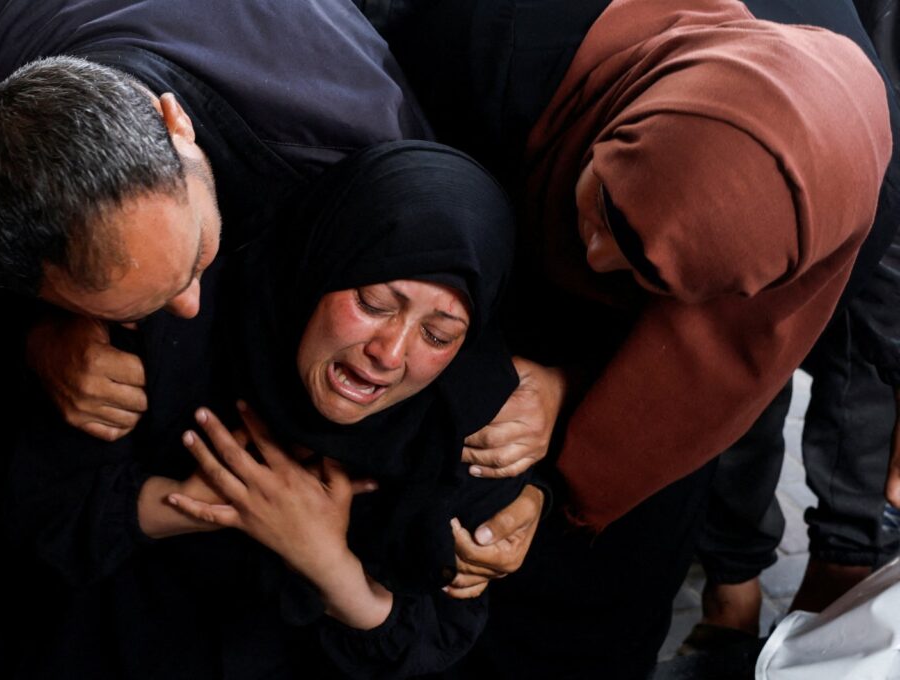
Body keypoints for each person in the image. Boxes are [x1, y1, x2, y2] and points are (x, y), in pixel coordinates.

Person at [0, 0, 432, 674]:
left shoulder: (356, 127)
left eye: (196, 255)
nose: (190, 306)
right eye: (134, 308)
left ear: (178, 124)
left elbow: (451, 266)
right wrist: (36, 341)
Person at [367, 0, 896, 676]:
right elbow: (398, 219)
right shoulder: (497, 36)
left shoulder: (844, 213)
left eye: (647, 264)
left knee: (605, 592)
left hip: (659, 336)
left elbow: (710, 373)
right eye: (609, 206)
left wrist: (568, 420)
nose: (595, 255)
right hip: (500, 200)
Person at [5, 141, 529, 678]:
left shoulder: (468, 437)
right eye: (373, 305)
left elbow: (435, 639)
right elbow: (39, 516)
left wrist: (328, 563)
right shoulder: (179, 319)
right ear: (321, 261)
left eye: (439, 335)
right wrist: (211, 500)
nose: (390, 354)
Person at [688, 0, 900, 643]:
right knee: (738, 311)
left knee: (877, 327)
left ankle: (844, 555)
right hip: (767, 59)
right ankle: (733, 579)